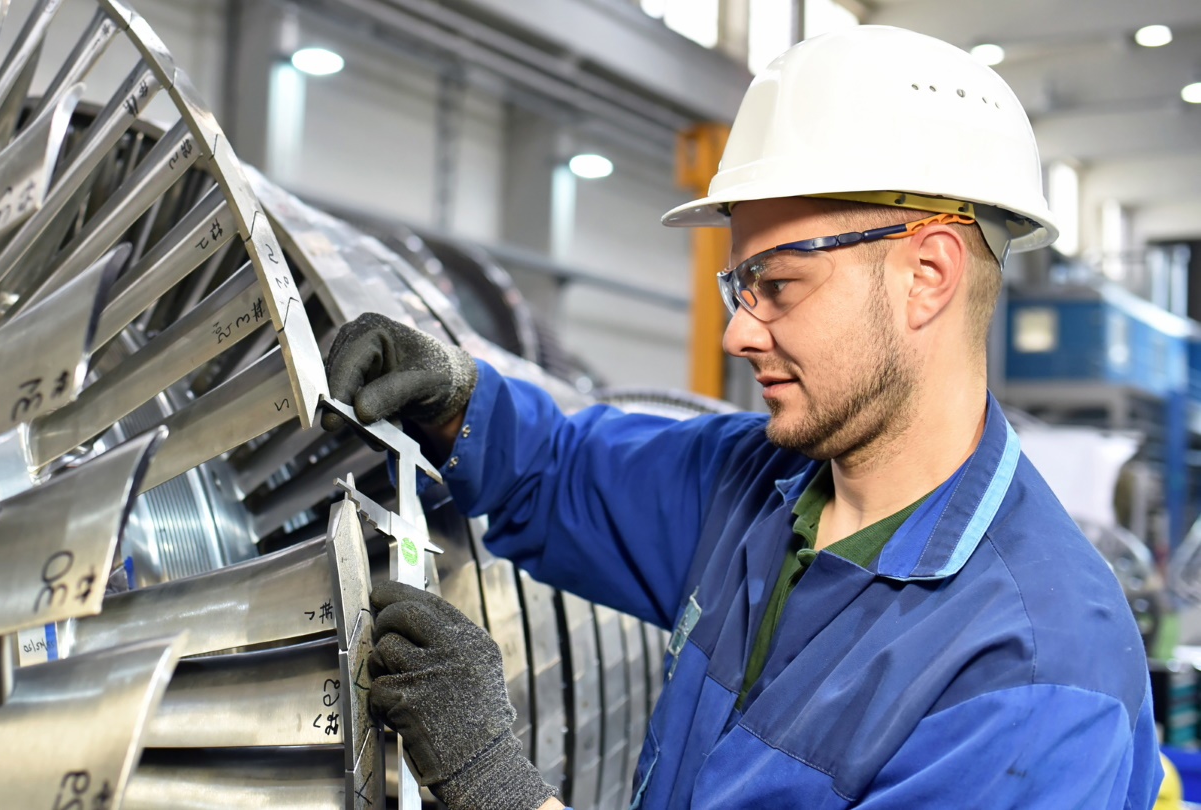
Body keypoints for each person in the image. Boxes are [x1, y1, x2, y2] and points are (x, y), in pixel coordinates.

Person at [328, 25, 1162, 810]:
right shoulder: (760, 486)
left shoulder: (1033, 673)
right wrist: (455, 400)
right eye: (740, 289)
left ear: (928, 275)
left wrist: (491, 782)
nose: (737, 334)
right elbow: (559, 473)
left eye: (779, 285)